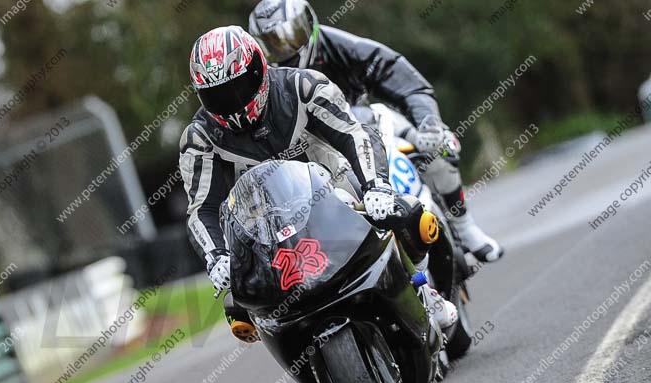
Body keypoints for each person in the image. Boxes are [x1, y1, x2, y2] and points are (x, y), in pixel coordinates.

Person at [179, 26, 457, 329]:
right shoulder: (199, 138)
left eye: (240, 85)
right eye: (217, 95)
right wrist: (216, 256)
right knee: (238, 310)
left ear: (260, 67)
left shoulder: (302, 86)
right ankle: (296, 340)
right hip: (265, 225)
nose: (233, 101)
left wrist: (375, 185)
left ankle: (423, 290)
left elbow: (354, 134)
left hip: (335, 188)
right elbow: (201, 207)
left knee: (409, 215)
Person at [248, 0, 504, 263]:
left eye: (292, 35)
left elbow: (401, 76)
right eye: (273, 43)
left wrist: (428, 122)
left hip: (365, 124)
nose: (285, 48)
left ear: (310, 24)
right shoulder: (262, 85)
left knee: (440, 144)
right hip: (312, 156)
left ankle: (464, 226)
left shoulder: (343, 46)